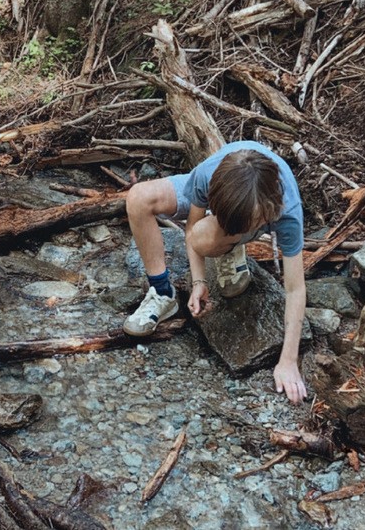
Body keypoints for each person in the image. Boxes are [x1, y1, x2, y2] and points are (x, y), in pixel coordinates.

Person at [123, 140, 307, 405]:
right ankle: (162, 292)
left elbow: (295, 288)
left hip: (257, 203)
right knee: (138, 198)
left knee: (212, 236)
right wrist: (199, 281)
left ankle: (230, 246)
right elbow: (192, 230)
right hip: (230, 198)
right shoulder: (207, 175)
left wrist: (288, 360)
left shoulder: (286, 210)